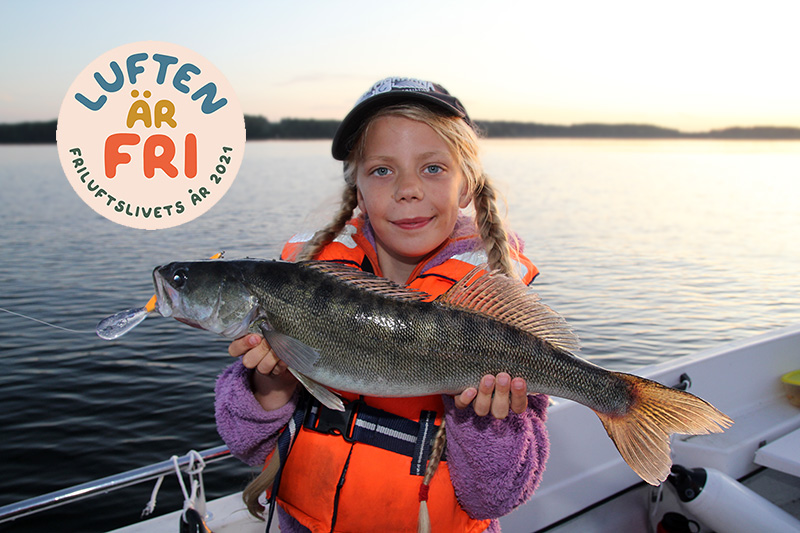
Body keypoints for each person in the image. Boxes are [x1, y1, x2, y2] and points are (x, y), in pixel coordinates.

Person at [215, 77, 550, 533]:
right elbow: (246, 445)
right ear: (358, 189)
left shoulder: (493, 306)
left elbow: (496, 496)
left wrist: (483, 419)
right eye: (382, 170)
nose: (407, 188)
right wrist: (269, 382)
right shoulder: (300, 289)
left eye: (433, 168)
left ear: (467, 185)